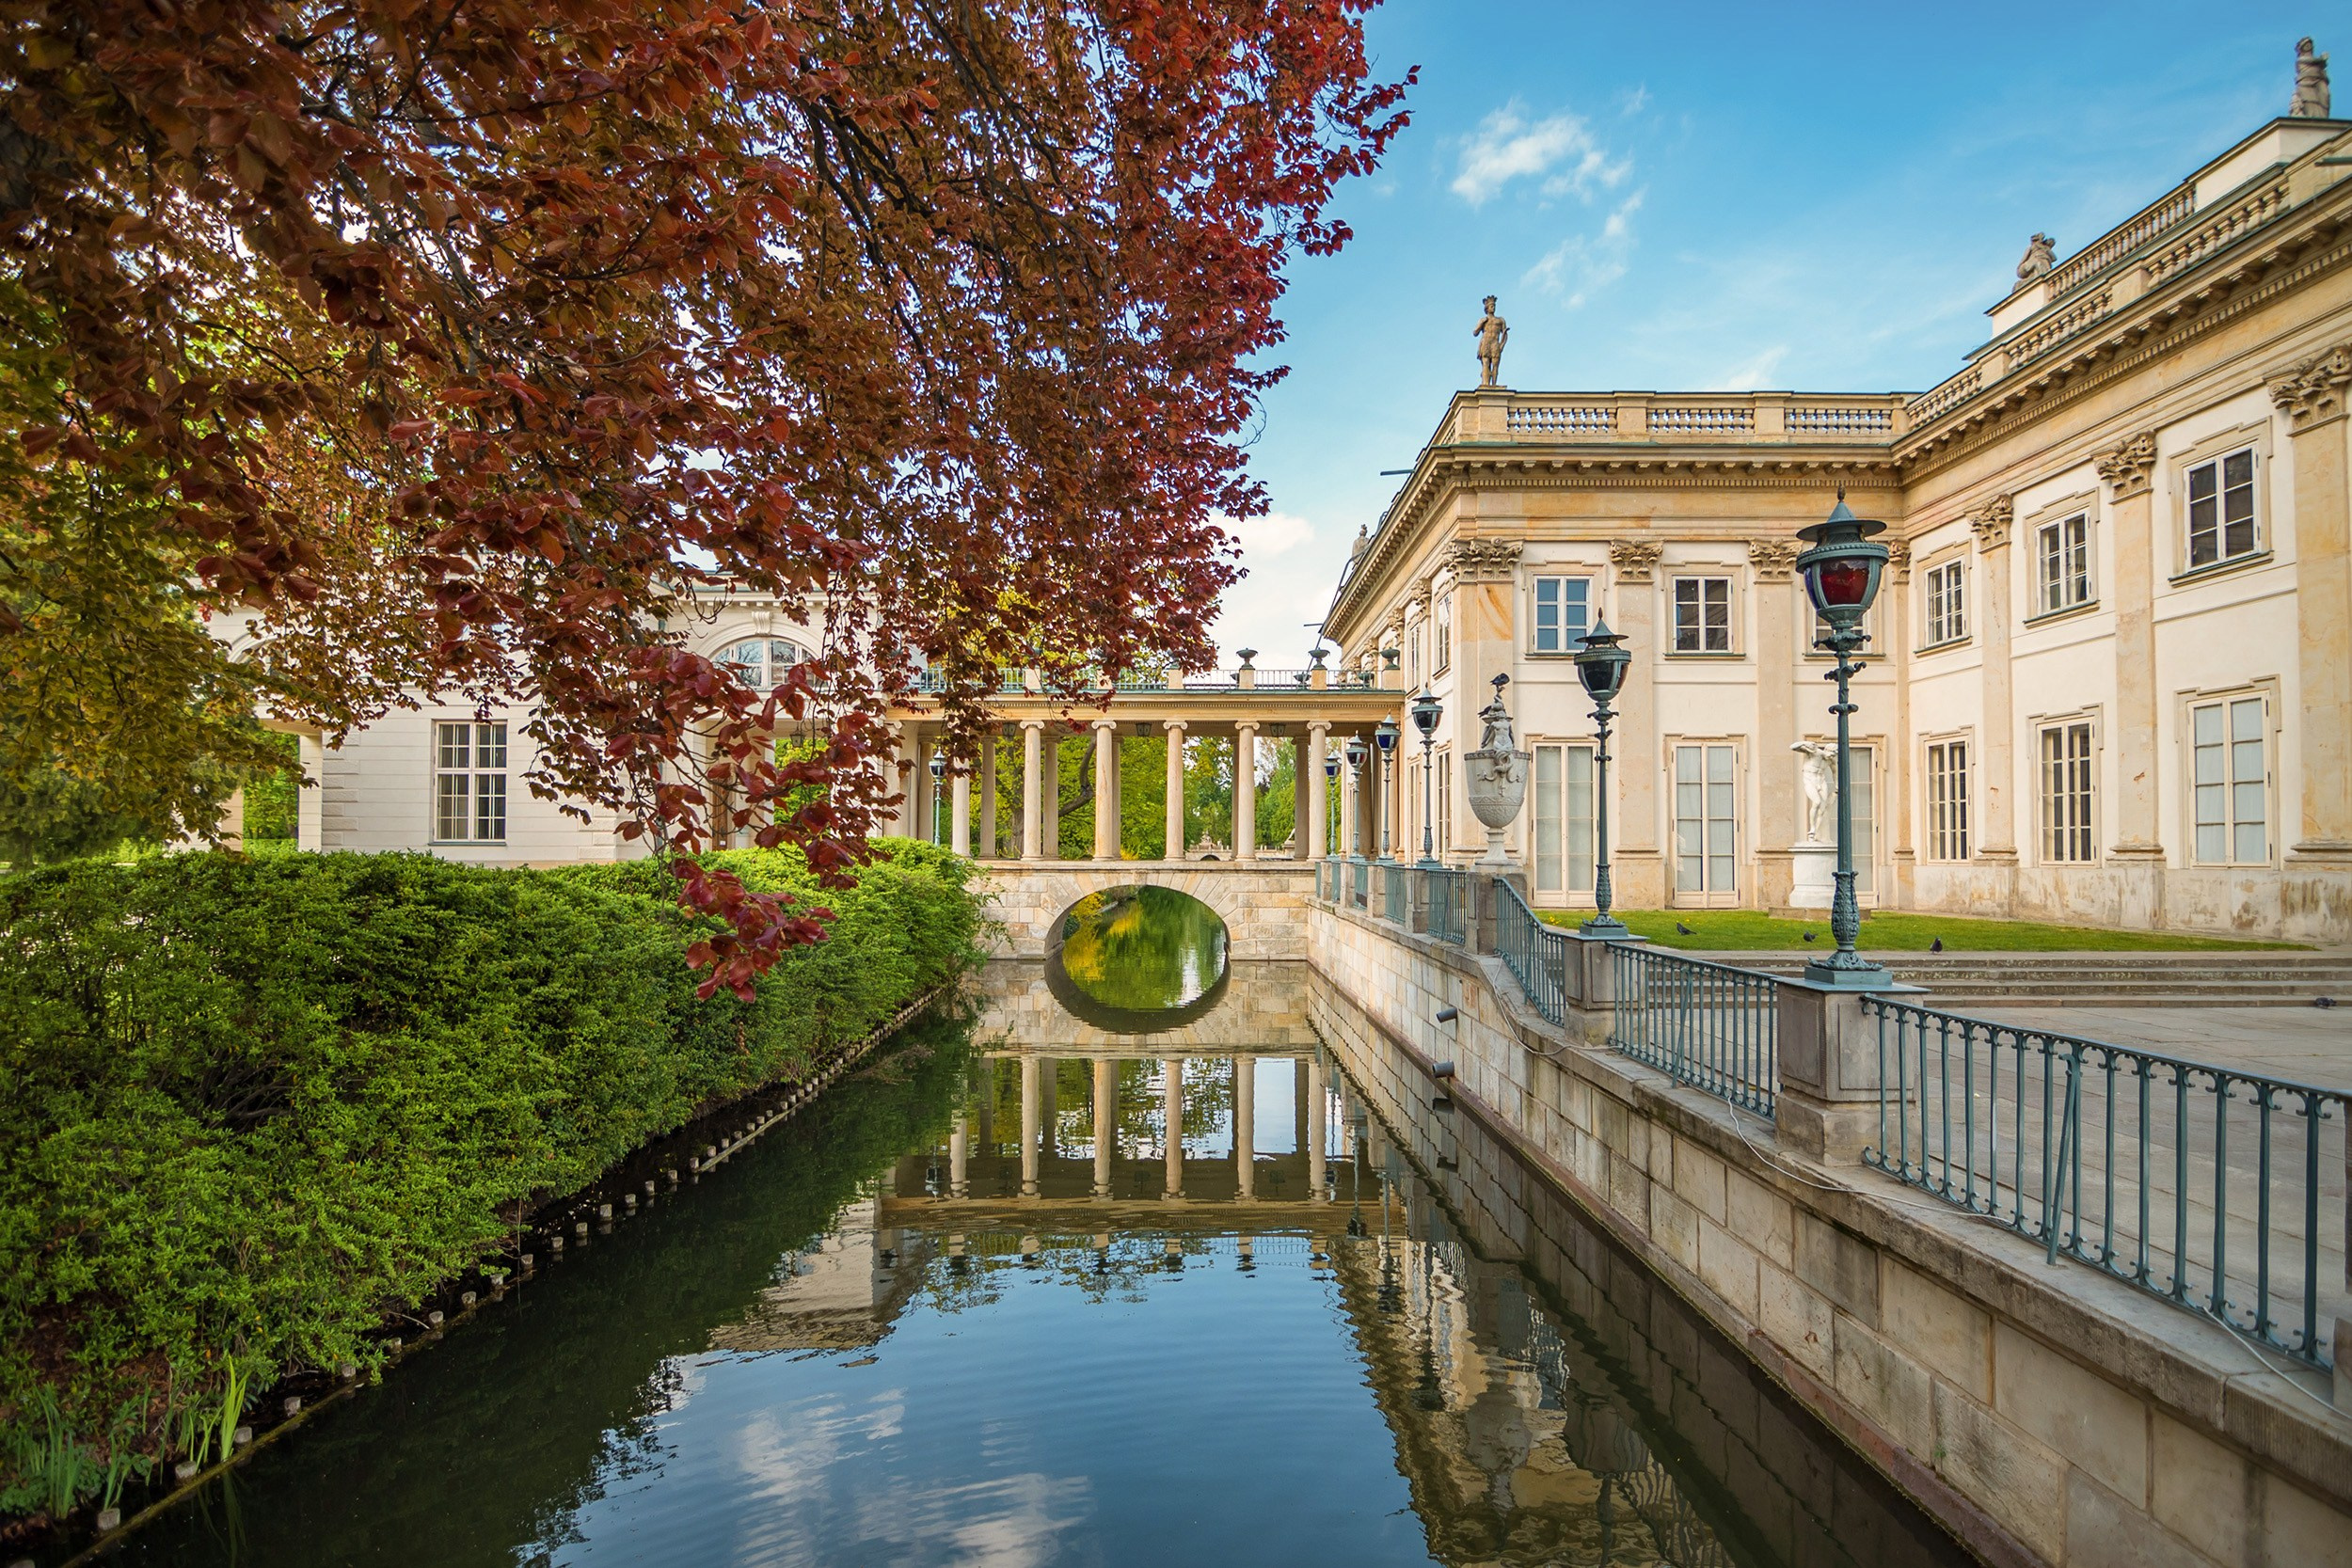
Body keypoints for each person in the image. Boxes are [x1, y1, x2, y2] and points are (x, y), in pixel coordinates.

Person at [1473, 295, 1508, 388]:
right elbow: (1475, 332)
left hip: (1495, 343)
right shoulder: (1483, 320)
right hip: (1486, 342)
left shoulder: (1500, 320)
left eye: (1494, 306)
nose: (1493, 308)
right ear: (1487, 308)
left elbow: (1505, 333)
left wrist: (1502, 345)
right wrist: (1481, 324)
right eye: (1491, 306)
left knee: (1495, 364)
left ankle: (1494, 384)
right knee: (1486, 363)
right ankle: (1485, 384)